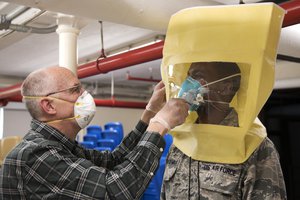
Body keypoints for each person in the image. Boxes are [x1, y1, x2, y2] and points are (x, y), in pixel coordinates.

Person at [0, 66, 189, 199]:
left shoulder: (61, 146)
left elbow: (114, 160)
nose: (85, 95)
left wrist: (150, 113)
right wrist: (159, 125)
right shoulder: (37, 155)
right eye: (75, 90)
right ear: (49, 105)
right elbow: (115, 192)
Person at [161, 62, 286, 200]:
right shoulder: (181, 142)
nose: (187, 84)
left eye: (197, 76)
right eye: (188, 76)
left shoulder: (253, 146)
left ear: (227, 87)